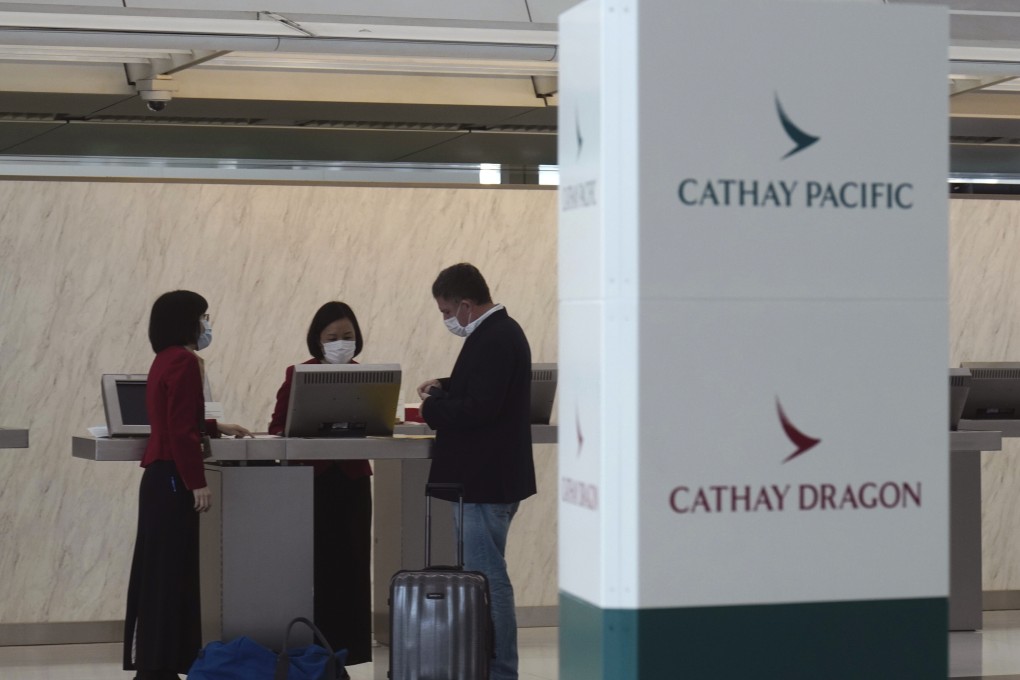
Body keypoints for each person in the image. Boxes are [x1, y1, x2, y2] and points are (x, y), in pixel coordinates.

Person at [417, 263, 536, 680]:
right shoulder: (500, 333)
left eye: (447, 312)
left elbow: (480, 407)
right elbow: (485, 388)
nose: (448, 320)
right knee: (486, 576)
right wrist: (447, 385)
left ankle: (500, 669)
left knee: (487, 580)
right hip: (493, 478)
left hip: (484, 481)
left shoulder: (496, 337)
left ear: (465, 305)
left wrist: (432, 409)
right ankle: (490, 665)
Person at [124, 290, 252, 680]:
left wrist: (216, 426)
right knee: (174, 575)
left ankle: (156, 663)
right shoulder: (184, 361)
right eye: (203, 316)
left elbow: (175, 418)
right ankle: (164, 665)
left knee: (158, 574)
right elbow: (180, 432)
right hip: (175, 479)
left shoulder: (163, 359)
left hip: (159, 479)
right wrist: (197, 482)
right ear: (186, 321)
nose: (206, 324)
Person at [268, 301, 373, 665]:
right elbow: (277, 426)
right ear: (317, 340)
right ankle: (317, 647)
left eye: (348, 336)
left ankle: (354, 649)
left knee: (354, 562)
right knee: (317, 564)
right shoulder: (298, 373)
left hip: (353, 480)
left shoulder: (367, 374)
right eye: (333, 337)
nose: (341, 343)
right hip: (311, 481)